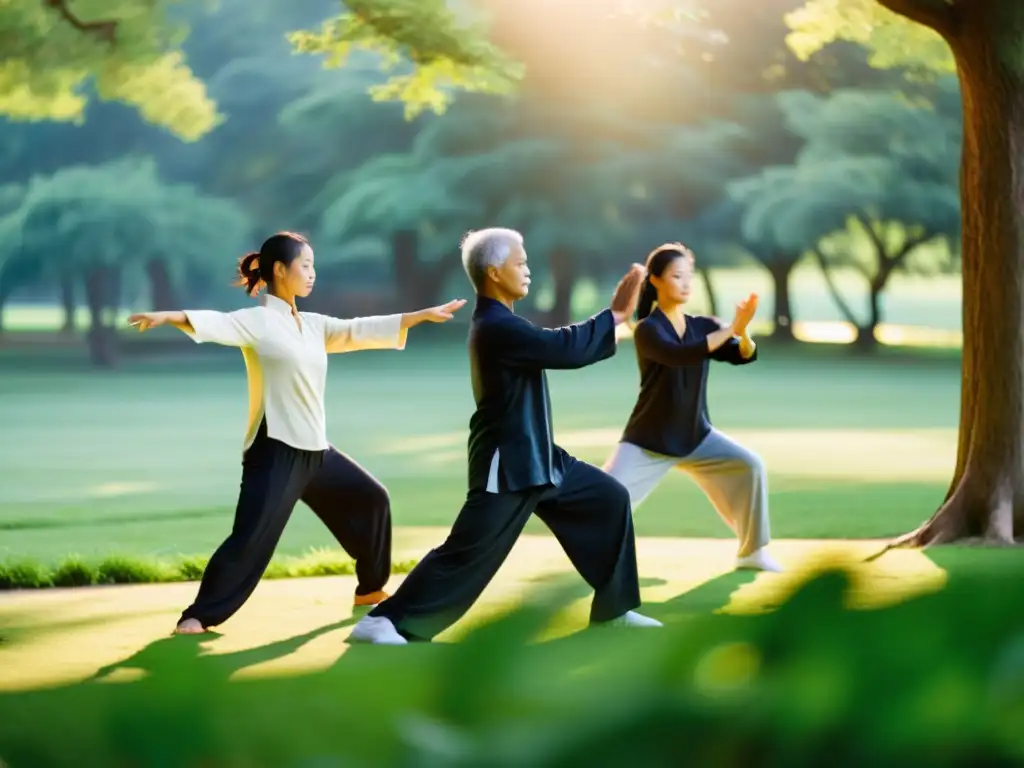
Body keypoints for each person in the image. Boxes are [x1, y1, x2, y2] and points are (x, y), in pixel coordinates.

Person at [127, 231, 466, 634]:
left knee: (372, 499)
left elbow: (359, 329)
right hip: (275, 451)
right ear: (279, 270)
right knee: (251, 539)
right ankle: (198, 615)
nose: (311, 273)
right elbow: (215, 322)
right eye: (304, 265)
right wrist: (168, 317)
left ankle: (370, 589)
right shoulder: (256, 321)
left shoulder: (313, 325)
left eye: (312, 265)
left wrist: (420, 315)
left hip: (317, 452)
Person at [349, 227, 662, 646]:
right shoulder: (496, 325)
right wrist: (616, 316)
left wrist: (615, 320)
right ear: (495, 273)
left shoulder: (505, 323)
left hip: (539, 456)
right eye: (520, 263)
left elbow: (556, 345)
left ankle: (614, 610)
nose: (528, 270)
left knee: (608, 498)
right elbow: (562, 348)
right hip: (508, 462)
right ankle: (383, 621)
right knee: (468, 552)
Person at [602, 242, 782, 573]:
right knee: (606, 501)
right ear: (655, 280)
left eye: (690, 276)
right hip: (649, 440)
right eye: (676, 276)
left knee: (749, 465)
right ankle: (596, 560)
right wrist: (731, 328)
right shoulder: (647, 330)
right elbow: (680, 355)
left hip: (696, 435)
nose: (686, 283)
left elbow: (743, 354)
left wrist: (740, 332)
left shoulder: (703, 325)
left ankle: (752, 552)